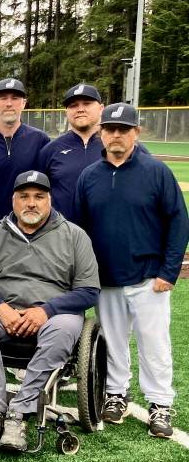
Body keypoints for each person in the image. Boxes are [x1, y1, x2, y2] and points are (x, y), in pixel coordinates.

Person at [74, 103, 189, 439]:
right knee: (112, 343)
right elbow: (79, 230)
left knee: (154, 343)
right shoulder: (89, 177)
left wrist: (168, 271)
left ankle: (160, 404)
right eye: (110, 129)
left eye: (124, 129)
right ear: (101, 133)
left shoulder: (155, 171)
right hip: (106, 279)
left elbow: (178, 223)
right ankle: (116, 395)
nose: (116, 135)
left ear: (136, 133)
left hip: (148, 277)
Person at [0, 170, 99, 451]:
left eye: (39, 197)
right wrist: (1, 309)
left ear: (49, 200)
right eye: (24, 197)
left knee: (64, 328)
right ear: (13, 200)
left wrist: (46, 311)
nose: (31, 203)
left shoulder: (74, 236)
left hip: (54, 316)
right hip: (4, 314)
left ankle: (20, 412)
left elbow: (88, 291)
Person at [0, 78, 49, 232]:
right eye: (3, 98)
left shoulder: (40, 140)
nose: (9, 103)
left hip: (28, 228)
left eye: (15, 98)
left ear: (23, 103)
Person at [36, 83, 104, 220]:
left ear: (101, 108)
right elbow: (38, 194)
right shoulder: (50, 150)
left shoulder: (118, 147)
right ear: (66, 112)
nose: (80, 109)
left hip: (107, 232)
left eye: (87, 103)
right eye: (73, 105)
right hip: (63, 234)